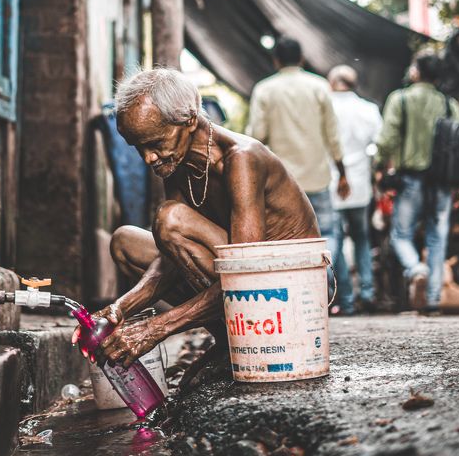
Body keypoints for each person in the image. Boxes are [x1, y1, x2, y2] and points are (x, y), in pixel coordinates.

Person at [74, 67, 319, 369]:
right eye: (139, 147)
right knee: (126, 242)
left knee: (171, 218)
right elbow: (173, 255)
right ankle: (228, 344)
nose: (148, 158)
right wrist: (119, 309)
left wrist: (154, 329)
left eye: (154, 143)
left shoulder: (242, 159)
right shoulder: (176, 162)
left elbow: (246, 274)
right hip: (243, 276)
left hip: (289, 290)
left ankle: (243, 343)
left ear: (190, 120)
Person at [374, 50, 459, 314]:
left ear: (416, 71)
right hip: (443, 182)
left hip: (410, 179)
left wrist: (379, 167)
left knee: (401, 234)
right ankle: (434, 299)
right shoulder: (449, 104)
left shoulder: (400, 99)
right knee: (438, 238)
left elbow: (387, 139)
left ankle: (416, 269)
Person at [246, 37, 350, 258]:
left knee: (286, 238)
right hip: (318, 178)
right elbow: (333, 135)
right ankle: (326, 280)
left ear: (276, 61)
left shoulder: (264, 90)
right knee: (327, 233)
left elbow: (255, 137)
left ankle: (298, 287)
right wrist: (342, 173)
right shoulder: (320, 87)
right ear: (302, 59)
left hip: (282, 182)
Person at [327, 65, 382, 315]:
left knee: (334, 237)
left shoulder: (325, 106)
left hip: (331, 181)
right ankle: (368, 292)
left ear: (332, 82)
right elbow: (378, 145)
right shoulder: (367, 109)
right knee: (362, 237)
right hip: (359, 184)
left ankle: (345, 298)